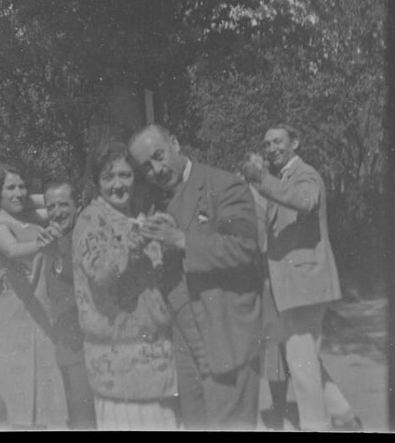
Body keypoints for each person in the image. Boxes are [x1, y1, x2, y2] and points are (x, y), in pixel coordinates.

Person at [129, 124, 264, 430]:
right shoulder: (154, 201)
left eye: (159, 156)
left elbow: (245, 249)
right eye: (146, 167)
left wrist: (181, 240)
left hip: (224, 333)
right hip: (184, 339)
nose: (156, 170)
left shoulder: (224, 185)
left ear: (175, 143)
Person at [240, 124, 361, 431]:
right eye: (267, 143)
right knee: (303, 355)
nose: (272, 148)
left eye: (278, 141)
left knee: (300, 359)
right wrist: (254, 187)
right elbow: (267, 233)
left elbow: (305, 201)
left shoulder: (305, 174)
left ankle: (315, 424)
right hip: (290, 285)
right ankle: (343, 413)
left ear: (295, 142)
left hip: (305, 282)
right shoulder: (279, 180)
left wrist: (262, 179)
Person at [72, 141, 179, 429]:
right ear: (96, 182)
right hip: (119, 365)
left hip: (156, 361)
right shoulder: (91, 220)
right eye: (108, 177)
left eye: (125, 175)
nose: (118, 185)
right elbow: (102, 272)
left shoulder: (137, 215)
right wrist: (136, 241)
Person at [0, 162, 67, 428]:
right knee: (21, 395)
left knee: (44, 391)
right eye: (10, 187)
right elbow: (11, 250)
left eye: (22, 186)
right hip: (17, 315)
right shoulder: (1, 225)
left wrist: (29, 198)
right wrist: (41, 242)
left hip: (41, 311)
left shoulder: (31, 214)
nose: (18, 193)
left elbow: (59, 201)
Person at [43, 179, 97, 429]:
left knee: (83, 413)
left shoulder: (84, 235)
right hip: (63, 344)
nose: (56, 212)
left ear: (79, 206)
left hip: (83, 343)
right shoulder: (50, 238)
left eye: (63, 204)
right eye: (50, 206)